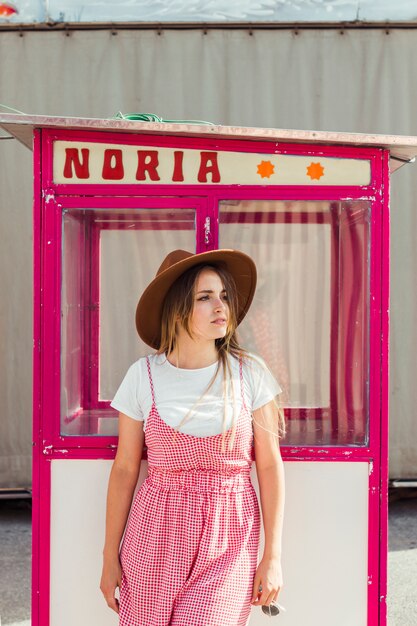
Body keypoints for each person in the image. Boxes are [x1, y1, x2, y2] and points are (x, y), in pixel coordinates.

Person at [100, 248, 286, 626]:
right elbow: (124, 469)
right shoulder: (143, 376)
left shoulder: (251, 374)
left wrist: (273, 556)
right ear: (178, 308)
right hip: (153, 534)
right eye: (205, 298)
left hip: (229, 534)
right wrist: (109, 557)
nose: (222, 306)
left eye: (224, 296)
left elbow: (268, 465)